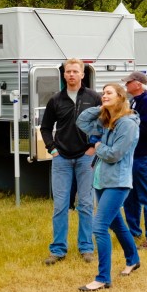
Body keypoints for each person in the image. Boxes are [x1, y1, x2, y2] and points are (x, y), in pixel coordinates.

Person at [76, 83, 141, 291]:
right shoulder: (106, 121)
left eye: (109, 93)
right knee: (117, 225)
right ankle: (133, 259)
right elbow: (81, 121)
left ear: (121, 97)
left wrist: (97, 146)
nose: (104, 96)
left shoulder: (128, 124)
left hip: (118, 182)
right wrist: (103, 107)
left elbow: (114, 154)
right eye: (103, 93)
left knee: (99, 227)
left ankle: (103, 277)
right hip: (101, 180)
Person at [40, 58, 101, 266]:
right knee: (60, 205)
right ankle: (58, 250)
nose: (72, 74)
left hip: (86, 158)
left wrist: (94, 147)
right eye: (68, 71)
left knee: (85, 203)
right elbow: (46, 128)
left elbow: (105, 124)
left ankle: (86, 248)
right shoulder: (55, 100)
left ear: (83, 74)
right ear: (64, 75)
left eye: (76, 71)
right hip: (61, 159)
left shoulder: (94, 98)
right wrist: (52, 149)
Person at [121, 71, 147, 251]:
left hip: (144, 156)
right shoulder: (134, 101)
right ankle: (133, 231)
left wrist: (127, 125)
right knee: (130, 196)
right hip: (133, 156)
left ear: (138, 84)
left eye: (128, 83)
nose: (126, 86)